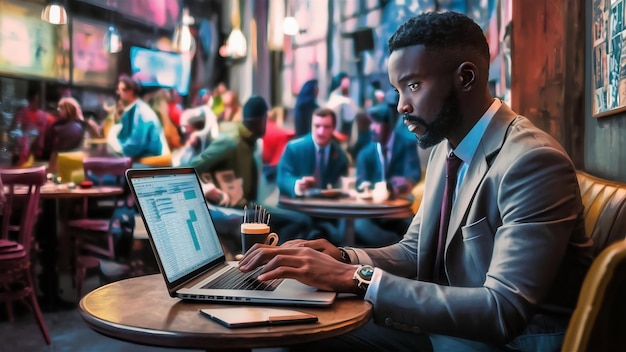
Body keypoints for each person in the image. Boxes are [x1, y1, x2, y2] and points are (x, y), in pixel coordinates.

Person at [239, 11, 592, 351]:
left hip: (503, 344)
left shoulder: (533, 162)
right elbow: (413, 250)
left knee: (291, 335)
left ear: (465, 78)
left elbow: (503, 311)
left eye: (412, 86)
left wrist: (354, 278)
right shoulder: (448, 147)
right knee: (290, 321)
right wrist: (343, 257)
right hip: (448, 329)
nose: (401, 107)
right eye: (398, 91)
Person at [184, 96, 312, 256]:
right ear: (260, 120)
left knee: (297, 219)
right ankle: (277, 261)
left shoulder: (251, 141)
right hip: (233, 208)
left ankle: (274, 259)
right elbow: (188, 168)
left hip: (249, 205)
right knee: (299, 221)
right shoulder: (231, 141)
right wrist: (204, 188)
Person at [354, 102, 421, 247]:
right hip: (371, 210)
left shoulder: (406, 145)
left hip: (398, 206)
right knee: (359, 226)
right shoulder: (365, 154)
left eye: (375, 124)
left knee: (417, 228)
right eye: (370, 124)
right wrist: (368, 187)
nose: (371, 129)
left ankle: (405, 250)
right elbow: (360, 182)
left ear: (388, 125)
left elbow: (413, 173)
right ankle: (396, 248)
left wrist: (403, 183)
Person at [277, 107, 349, 198]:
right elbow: (282, 178)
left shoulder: (340, 155)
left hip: (328, 207)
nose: (320, 132)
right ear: (311, 126)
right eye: (317, 126)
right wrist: (297, 184)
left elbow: (342, 183)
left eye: (326, 127)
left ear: (333, 128)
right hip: (298, 206)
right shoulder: (294, 148)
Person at [109, 75, 164, 160]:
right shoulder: (134, 110)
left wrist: (116, 147)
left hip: (148, 161)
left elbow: (135, 145)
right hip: (141, 158)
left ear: (130, 91)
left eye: (121, 90)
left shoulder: (141, 112)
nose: (118, 93)